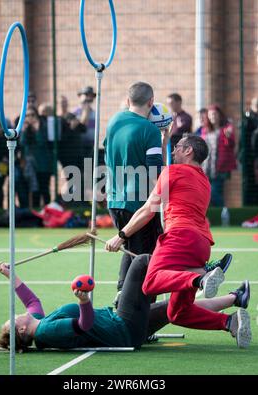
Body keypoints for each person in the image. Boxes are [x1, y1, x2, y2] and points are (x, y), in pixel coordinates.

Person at [106, 134, 251, 348]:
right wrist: (164, 139)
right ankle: (230, 321)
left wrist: (121, 235)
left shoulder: (172, 172)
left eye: (177, 147)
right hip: (201, 245)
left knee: (151, 282)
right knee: (177, 313)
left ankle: (200, 278)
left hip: (179, 237)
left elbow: (148, 210)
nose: (173, 151)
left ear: (188, 150)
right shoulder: (203, 179)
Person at [0, 255, 250, 352]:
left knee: (174, 309)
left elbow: (32, 300)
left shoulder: (40, 321)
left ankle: (234, 301)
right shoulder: (47, 331)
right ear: (21, 331)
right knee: (140, 264)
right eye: (13, 320)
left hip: (125, 329)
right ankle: (200, 274)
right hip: (123, 328)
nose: (16, 315)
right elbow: (84, 324)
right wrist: (83, 302)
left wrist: (8, 274)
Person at [103, 82, 165, 305]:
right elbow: (156, 170)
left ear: (128, 100)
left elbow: (106, 153)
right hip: (139, 203)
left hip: (114, 199)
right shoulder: (149, 130)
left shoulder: (114, 121)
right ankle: (137, 311)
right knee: (146, 257)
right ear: (151, 102)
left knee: (130, 249)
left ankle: (122, 294)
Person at [201, 104, 237, 207]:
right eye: (211, 115)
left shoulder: (226, 129)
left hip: (221, 167)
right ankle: (219, 215)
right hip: (207, 166)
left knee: (213, 192)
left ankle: (225, 211)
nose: (213, 117)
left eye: (215, 114)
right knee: (209, 192)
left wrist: (229, 136)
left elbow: (232, 144)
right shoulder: (205, 130)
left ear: (220, 116)